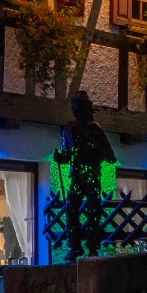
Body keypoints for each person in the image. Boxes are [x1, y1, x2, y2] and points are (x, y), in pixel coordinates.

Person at [53, 91, 117, 259]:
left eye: (79, 106)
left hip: (92, 176)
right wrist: (60, 157)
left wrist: (95, 147)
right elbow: (67, 154)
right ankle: (75, 246)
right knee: (71, 210)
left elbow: (111, 157)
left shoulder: (95, 129)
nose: (76, 109)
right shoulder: (68, 129)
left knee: (93, 211)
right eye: (74, 106)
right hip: (75, 177)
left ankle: (92, 247)